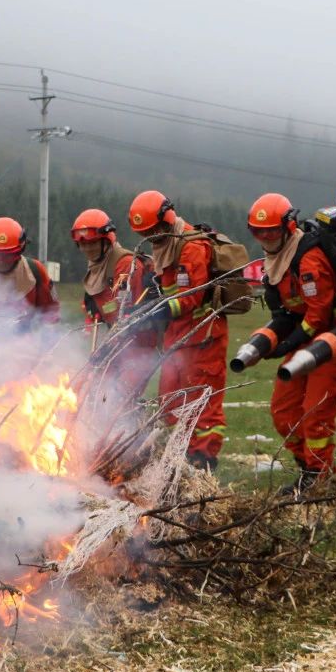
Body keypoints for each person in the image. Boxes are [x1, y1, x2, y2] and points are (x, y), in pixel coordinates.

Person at [245, 193, 336, 494]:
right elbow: (285, 312)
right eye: (258, 231)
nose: (265, 237)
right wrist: (275, 341)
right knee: (284, 412)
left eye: (271, 230)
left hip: (330, 340)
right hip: (304, 337)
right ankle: (307, 467)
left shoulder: (307, 258)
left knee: (315, 413)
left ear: (288, 226)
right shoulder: (275, 261)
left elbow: (319, 314)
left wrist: (287, 344)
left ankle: (319, 478)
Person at [127, 190, 228, 471]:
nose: (153, 236)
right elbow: (168, 294)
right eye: (147, 233)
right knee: (170, 403)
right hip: (178, 338)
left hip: (203, 337)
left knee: (201, 406)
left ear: (167, 218)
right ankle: (180, 454)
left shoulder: (191, 247)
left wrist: (156, 313)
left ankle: (202, 461)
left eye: (155, 230)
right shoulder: (165, 248)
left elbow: (190, 297)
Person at [72, 209, 156, 396]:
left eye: (92, 243)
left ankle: (132, 424)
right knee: (96, 392)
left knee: (121, 396)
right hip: (115, 341)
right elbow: (98, 315)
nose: (87, 249)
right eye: (82, 244)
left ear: (106, 239)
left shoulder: (125, 264)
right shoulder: (95, 268)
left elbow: (125, 310)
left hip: (138, 342)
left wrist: (105, 348)